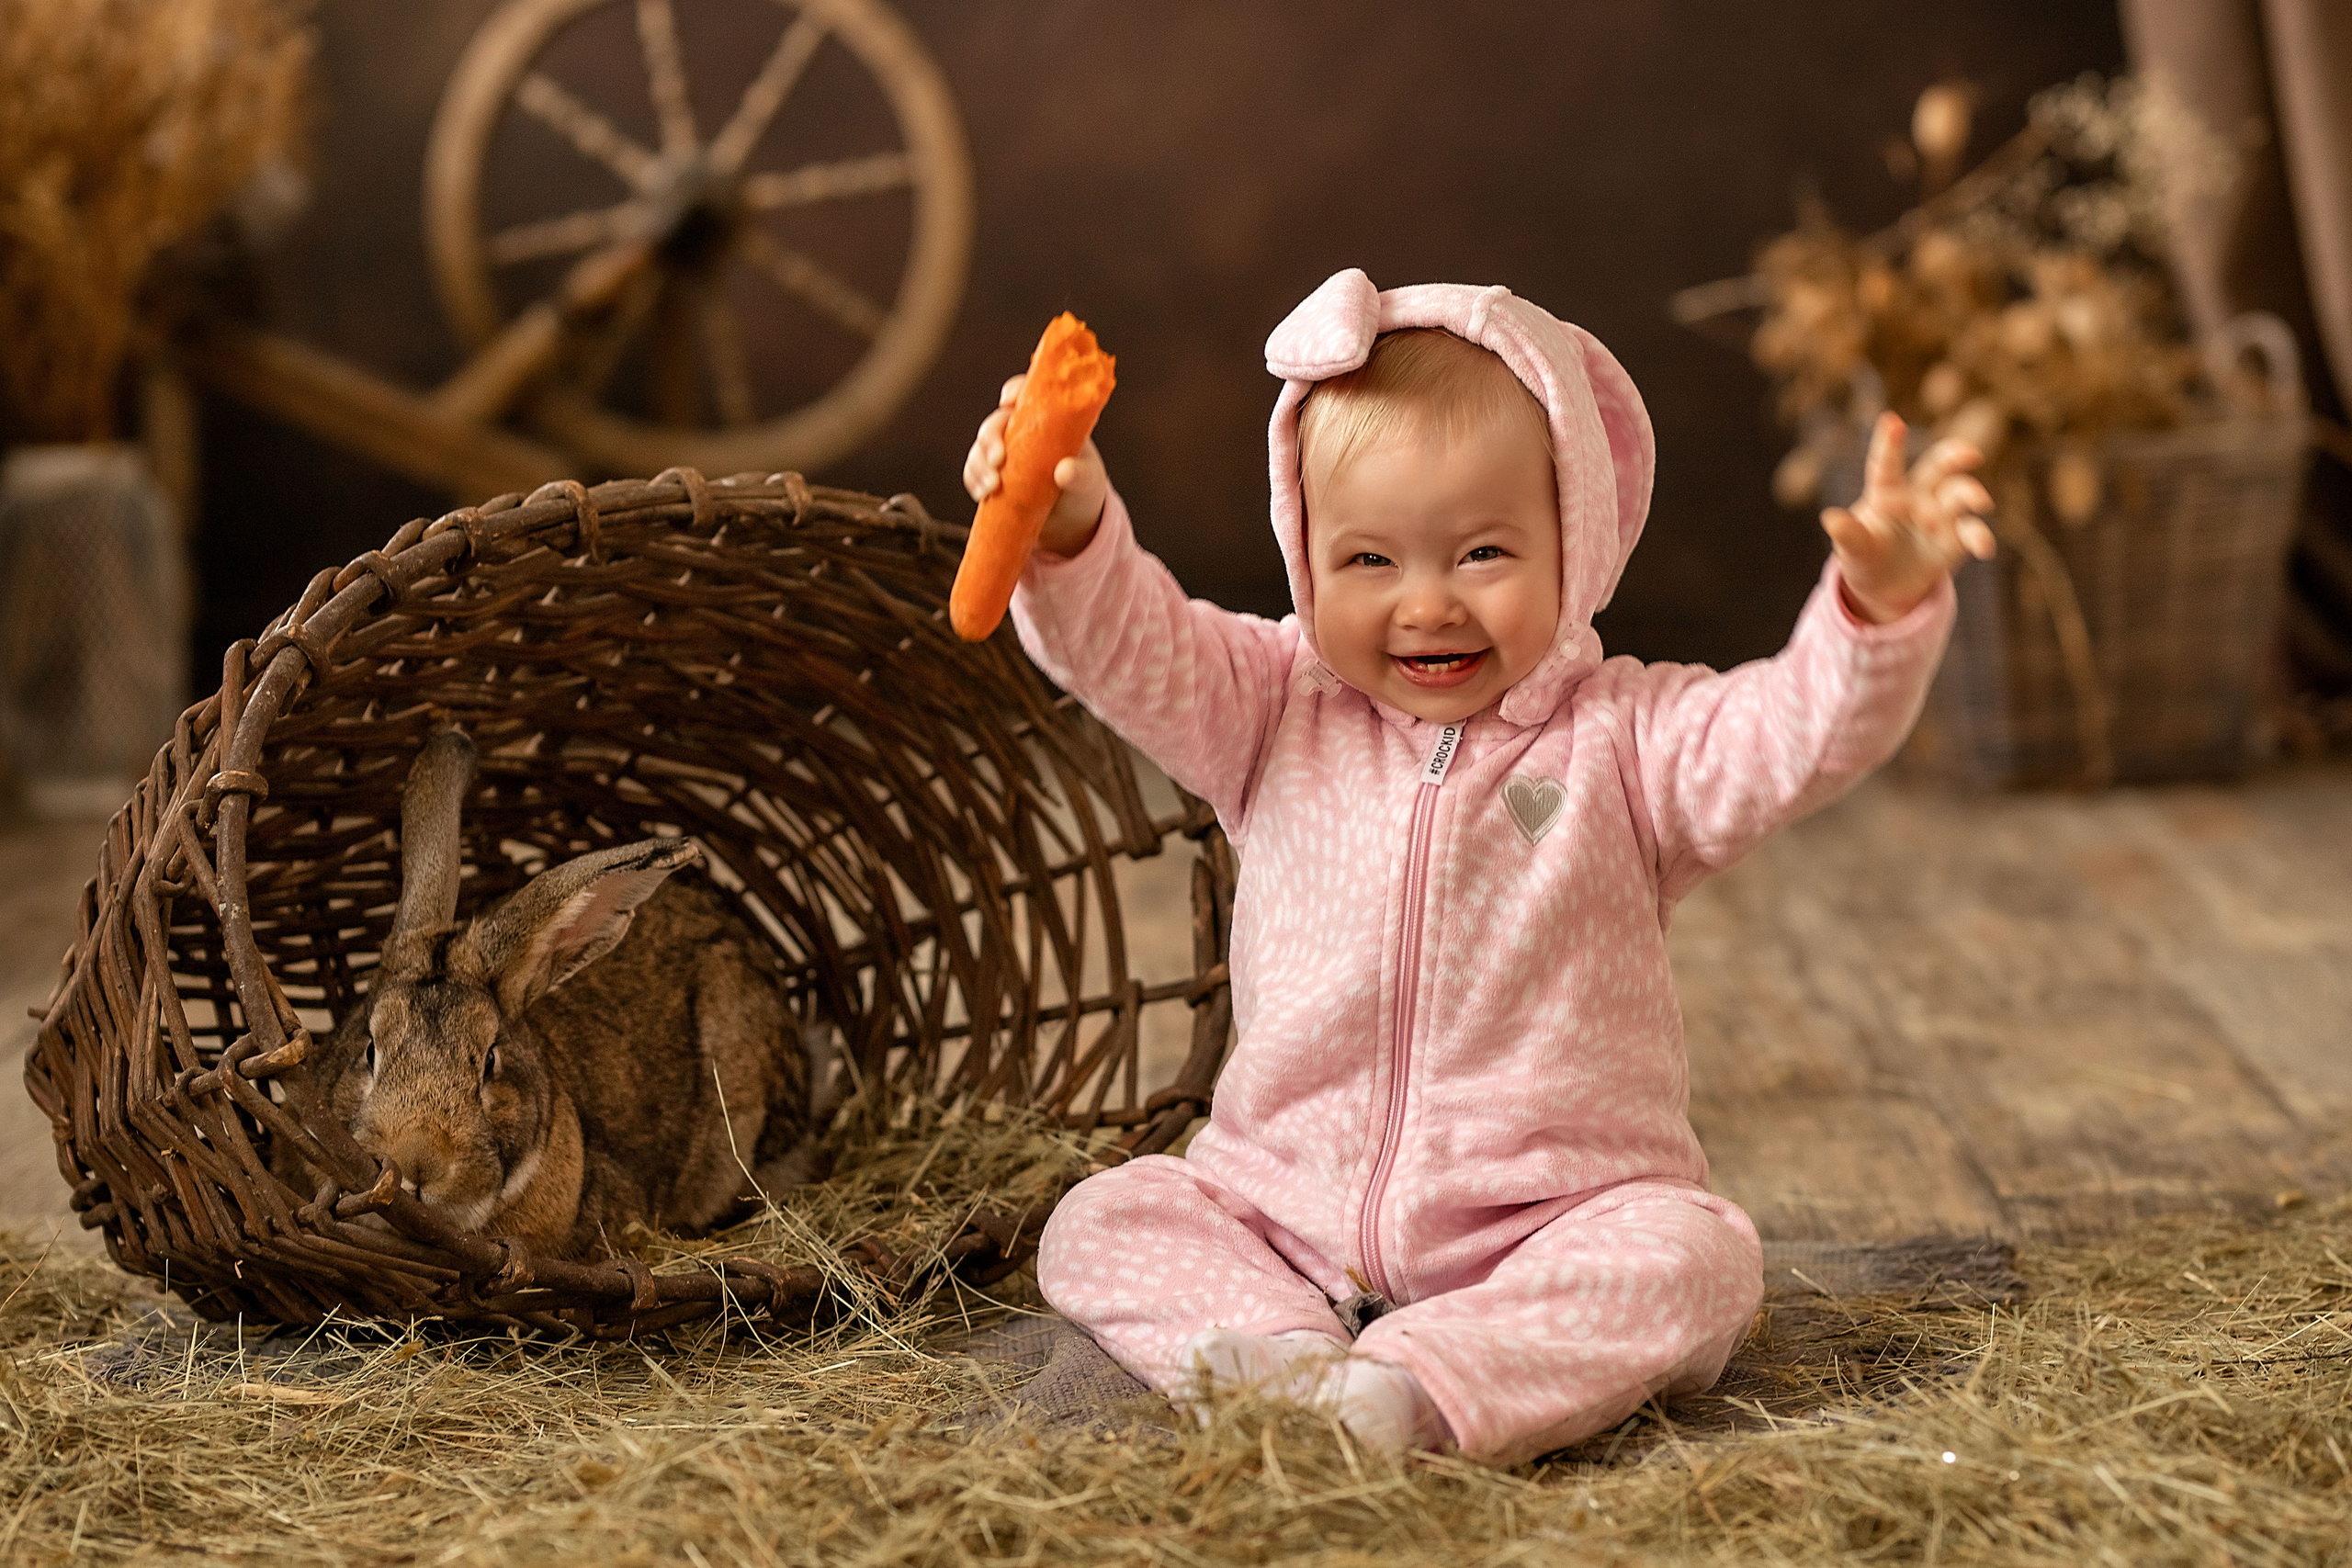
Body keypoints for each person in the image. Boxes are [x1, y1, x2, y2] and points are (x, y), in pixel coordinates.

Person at [961, 267, 1993, 1466]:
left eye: (1484, 552)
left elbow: (1792, 732)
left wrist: (1871, 611)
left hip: (1548, 1225)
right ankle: (1279, 1364)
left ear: (1575, 542)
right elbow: (1133, 644)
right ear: (1306, 554)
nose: (1428, 605)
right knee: (1106, 1217)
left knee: (1697, 1261)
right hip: (1284, 1215)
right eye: (1369, 561)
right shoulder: (1270, 707)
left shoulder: (1631, 743)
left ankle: (1419, 1389)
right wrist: (1070, 528)